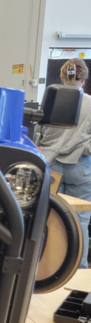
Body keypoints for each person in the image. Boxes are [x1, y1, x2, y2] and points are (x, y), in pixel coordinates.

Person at [38, 58, 91, 269]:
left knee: (49, 220)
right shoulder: (90, 103)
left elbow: (40, 134)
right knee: (81, 222)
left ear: (61, 76)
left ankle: (49, 270)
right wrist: (83, 149)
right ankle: (80, 274)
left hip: (51, 167)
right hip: (80, 168)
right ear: (84, 79)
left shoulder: (51, 99)